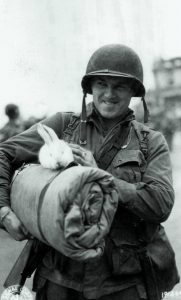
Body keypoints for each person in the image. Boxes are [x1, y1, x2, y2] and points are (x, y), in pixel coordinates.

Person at [0, 44, 179, 300]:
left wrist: (101, 179)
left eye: (119, 86)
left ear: (133, 92)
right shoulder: (63, 125)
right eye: (101, 84)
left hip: (125, 284)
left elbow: (161, 204)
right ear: (90, 88)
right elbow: (3, 153)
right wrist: (4, 212)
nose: (109, 93)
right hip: (59, 279)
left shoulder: (151, 141)